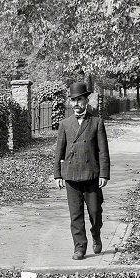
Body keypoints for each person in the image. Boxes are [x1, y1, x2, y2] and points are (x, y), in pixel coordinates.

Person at [54, 81, 111, 260]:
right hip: (71, 175)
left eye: (79, 99)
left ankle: (96, 234)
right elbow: (59, 150)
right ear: (70, 103)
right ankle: (79, 248)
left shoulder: (96, 122)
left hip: (92, 175)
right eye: (73, 100)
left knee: (95, 212)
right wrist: (57, 174)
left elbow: (103, 151)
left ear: (86, 100)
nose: (76, 103)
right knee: (76, 215)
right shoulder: (65, 124)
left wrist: (104, 173)